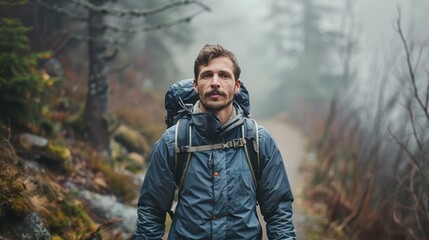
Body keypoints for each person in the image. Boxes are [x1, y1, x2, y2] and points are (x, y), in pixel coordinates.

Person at [135, 44, 296, 239]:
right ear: (196, 85)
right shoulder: (173, 141)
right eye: (207, 75)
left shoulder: (258, 140)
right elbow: (151, 210)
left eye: (224, 75)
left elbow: (278, 211)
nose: (215, 82)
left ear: (237, 86)